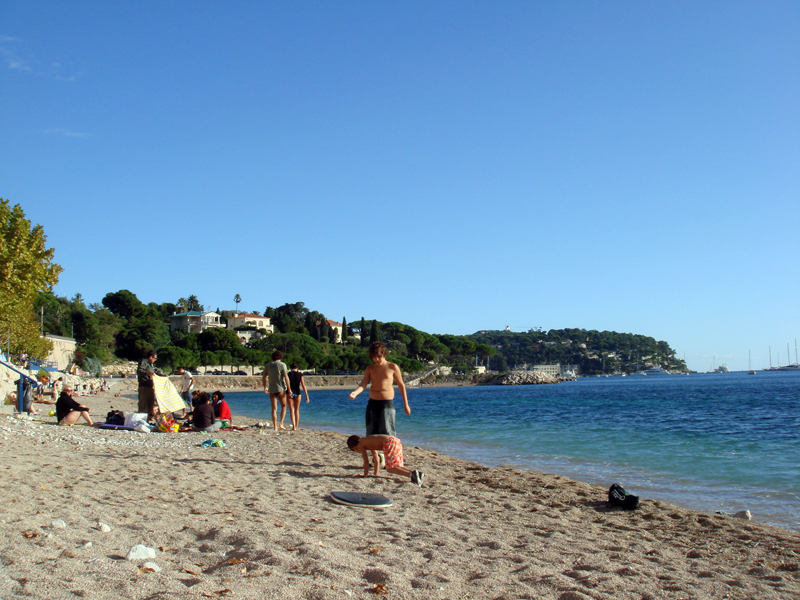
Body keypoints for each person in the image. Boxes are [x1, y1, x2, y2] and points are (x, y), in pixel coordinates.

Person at [349, 342, 410, 468]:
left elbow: (401, 385)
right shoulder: (370, 368)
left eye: (379, 356)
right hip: (372, 402)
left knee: (388, 433)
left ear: (384, 354)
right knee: (371, 434)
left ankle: (393, 462)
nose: (376, 359)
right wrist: (355, 393)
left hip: (387, 403)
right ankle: (376, 461)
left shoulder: (392, 367)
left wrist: (406, 404)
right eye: (374, 357)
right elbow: (364, 384)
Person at [346, 434, 425, 487]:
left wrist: (365, 476)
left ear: (354, 448)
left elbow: (366, 462)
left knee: (390, 468)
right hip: (395, 440)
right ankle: (416, 473)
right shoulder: (368, 441)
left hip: (388, 442)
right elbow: (376, 459)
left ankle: (411, 475)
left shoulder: (360, 445)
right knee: (396, 465)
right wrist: (375, 474)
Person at [262, 351, 291, 433]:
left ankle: (275, 426)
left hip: (271, 388)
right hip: (281, 388)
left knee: (274, 409)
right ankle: (281, 423)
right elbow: (286, 377)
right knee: (284, 406)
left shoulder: (268, 365)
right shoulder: (282, 365)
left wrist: (265, 387)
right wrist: (289, 389)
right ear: (281, 357)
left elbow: (264, 377)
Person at [137, 350, 161, 421]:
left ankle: (147, 420)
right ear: (150, 357)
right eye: (155, 358)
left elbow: (154, 373)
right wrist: (147, 373)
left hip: (151, 387)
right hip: (144, 387)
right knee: (143, 406)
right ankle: (142, 421)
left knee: (150, 406)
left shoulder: (150, 365)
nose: (155, 360)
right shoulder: (144, 362)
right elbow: (139, 371)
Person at [287, 363, 310, 431]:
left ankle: (294, 426)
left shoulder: (288, 374)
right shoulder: (300, 374)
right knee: (297, 410)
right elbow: (303, 385)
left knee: (291, 410)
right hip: (297, 393)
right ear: (297, 368)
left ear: (290, 368)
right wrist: (306, 395)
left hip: (290, 393)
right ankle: (296, 426)